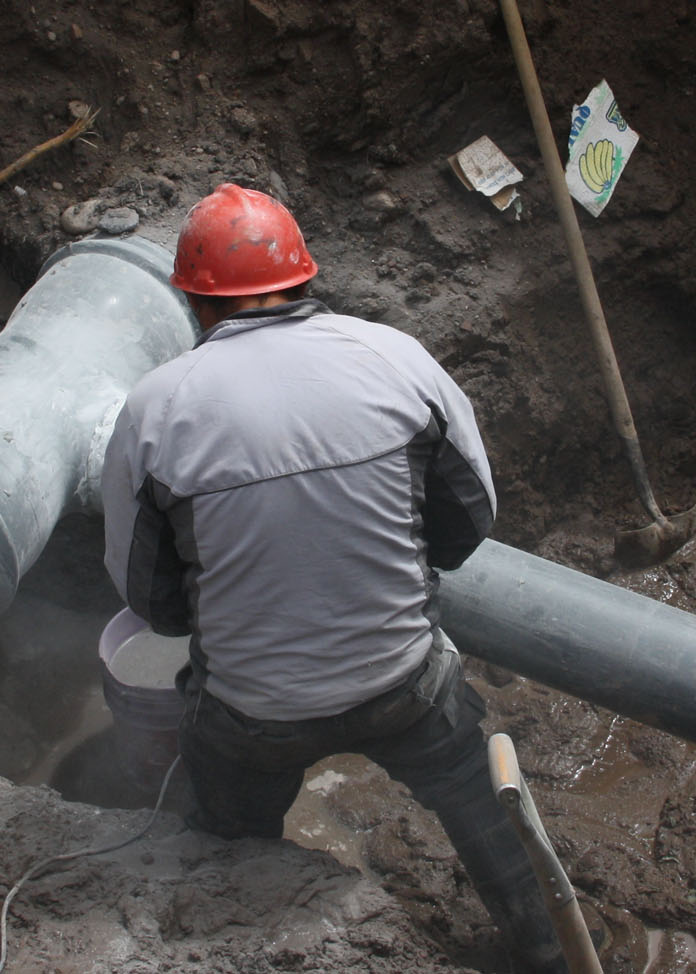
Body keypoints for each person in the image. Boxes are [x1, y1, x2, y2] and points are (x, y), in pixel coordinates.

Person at [101, 183, 568, 974]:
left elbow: (150, 600)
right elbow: (468, 522)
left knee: (225, 830)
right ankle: (548, 950)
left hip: (252, 715)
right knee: (480, 796)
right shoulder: (395, 360)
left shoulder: (155, 409)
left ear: (195, 303)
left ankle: (239, 936)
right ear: (306, 278)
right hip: (403, 689)